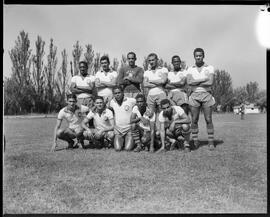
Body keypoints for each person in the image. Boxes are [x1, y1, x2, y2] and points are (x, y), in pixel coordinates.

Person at [186, 48, 215, 150]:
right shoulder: (190, 69)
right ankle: (195, 141)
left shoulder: (210, 67)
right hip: (194, 95)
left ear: (203, 56)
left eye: (200, 55)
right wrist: (203, 79)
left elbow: (210, 82)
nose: (198, 57)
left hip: (206, 94)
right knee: (194, 119)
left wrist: (196, 81)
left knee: (208, 119)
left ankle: (211, 142)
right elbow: (189, 82)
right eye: (196, 56)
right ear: (194, 57)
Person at [109, 86, 136, 151]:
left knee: (128, 149)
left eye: (119, 92)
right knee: (118, 149)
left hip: (129, 129)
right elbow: (109, 110)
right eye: (115, 93)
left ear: (123, 93)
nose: (117, 94)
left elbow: (141, 106)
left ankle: (133, 140)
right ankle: (121, 141)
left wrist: (136, 120)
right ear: (113, 94)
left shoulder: (131, 100)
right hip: (118, 130)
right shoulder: (112, 102)